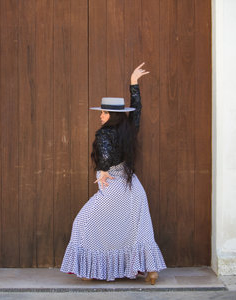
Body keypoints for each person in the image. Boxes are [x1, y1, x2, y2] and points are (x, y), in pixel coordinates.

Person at [60, 62, 166, 284]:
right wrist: (133, 84)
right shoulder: (129, 130)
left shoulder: (104, 134)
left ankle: (90, 270)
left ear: (113, 115)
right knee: (138, 229)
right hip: (133, 188)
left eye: (104, 112)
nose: (101, 116)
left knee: (83, 222)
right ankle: (152, 272)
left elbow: (107, 157)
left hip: (114, 187)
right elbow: (137, 111)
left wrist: (103, 171)